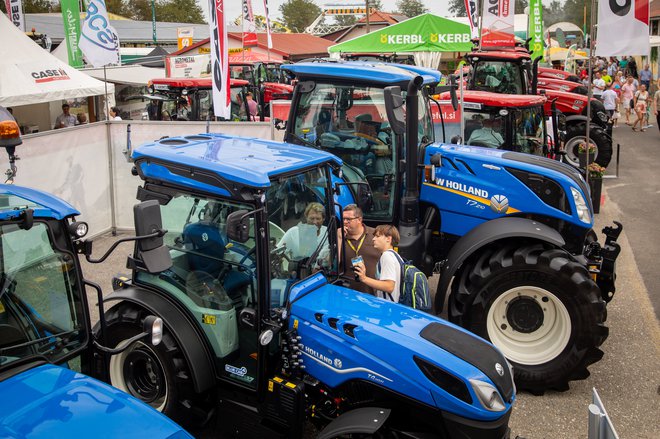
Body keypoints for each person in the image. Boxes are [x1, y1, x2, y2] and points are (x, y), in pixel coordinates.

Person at [337, 204, 379, 294]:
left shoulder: (375, 234)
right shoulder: (339, 235)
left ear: (359, 220)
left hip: (373, 293)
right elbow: (335, 264)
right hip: (346, 292)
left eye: (348, 219)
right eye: (343, 219)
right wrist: (339, 239)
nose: (344, 222)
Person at [354, 225, 402, 303]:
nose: (373, 239)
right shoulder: (395, 255)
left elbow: (389, 286)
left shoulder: (387, 256)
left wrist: (364, 278)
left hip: (388, 306)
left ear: (388, 239)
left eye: (377, 236)